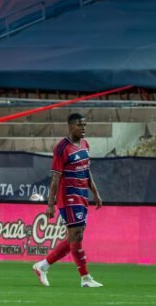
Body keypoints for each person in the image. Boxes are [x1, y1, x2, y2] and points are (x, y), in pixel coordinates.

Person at [33, 113, 104, 288]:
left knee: (74, 237)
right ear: (71, 126)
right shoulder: (62, 148)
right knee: (77, 236)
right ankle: (85, 278)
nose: (83, 128)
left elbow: (86, 171)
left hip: (82, 195)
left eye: (85, 125)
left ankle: (43, 266)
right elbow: (55, 179)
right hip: (68, 196)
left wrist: (95, 192)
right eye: (80, 125)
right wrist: (50, 204)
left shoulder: (85, 145)